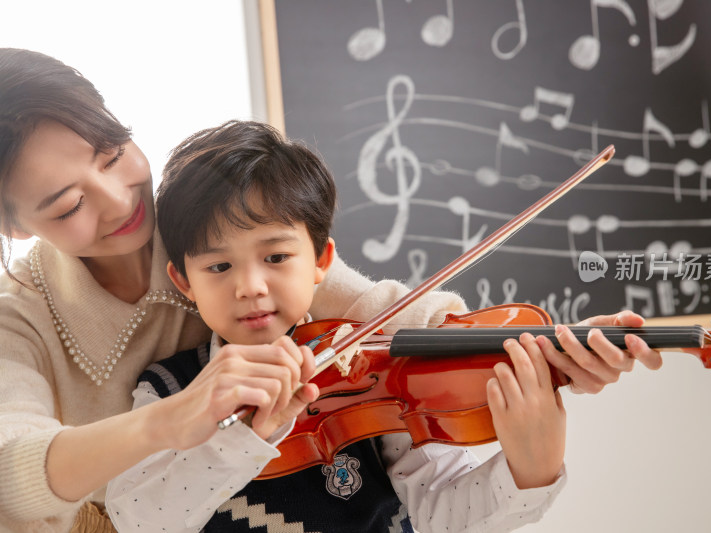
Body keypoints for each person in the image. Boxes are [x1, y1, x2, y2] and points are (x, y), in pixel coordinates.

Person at [0, 48, 660, 533]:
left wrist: (535, 351)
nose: (120, 201)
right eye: (66, 204)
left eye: (114, 152)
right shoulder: (28, 322)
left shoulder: (208, 216)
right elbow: (27, 474)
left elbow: (377, 310)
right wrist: (173, 420)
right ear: (15, 224)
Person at [106, 120, 569, 532]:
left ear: (321, 260)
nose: (249, 286)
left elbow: (440, 515)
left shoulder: (366, 366)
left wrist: (530, 471)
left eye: (276, 257)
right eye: (219, 267)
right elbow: (138, 518)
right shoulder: (166, 389)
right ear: (184, 282)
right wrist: (238, 439)